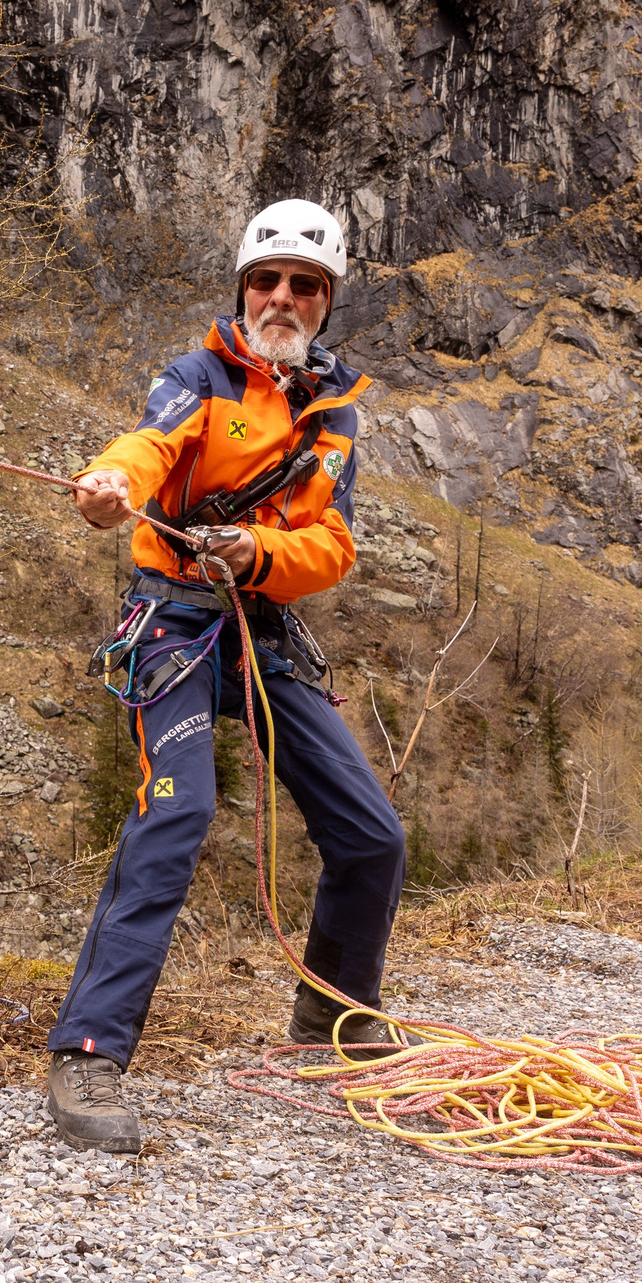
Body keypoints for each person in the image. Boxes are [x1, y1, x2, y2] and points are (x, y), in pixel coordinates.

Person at [48, 198, 409, 1154]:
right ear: (244, 290)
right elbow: (149, 445)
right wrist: (110, 485)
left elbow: (330, 545)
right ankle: (89, 1052)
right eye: (266, 282)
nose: (281, 299)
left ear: (326, 302)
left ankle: (335, 1011)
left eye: (302, 286)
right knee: (175, 815)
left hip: (262, 631)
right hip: (173, 627)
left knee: (370, 835)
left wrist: (253, 550)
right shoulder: (197, 375)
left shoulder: (333, 416)